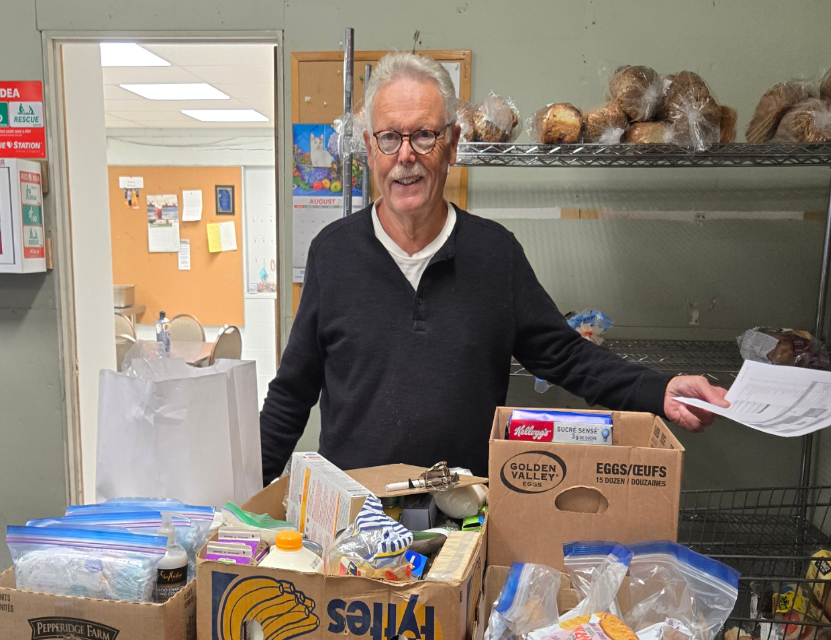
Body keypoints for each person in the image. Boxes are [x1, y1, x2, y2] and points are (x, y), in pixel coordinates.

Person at [259, 52, 729, 484]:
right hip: (354, 522)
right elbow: (291, 392)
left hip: (463, 517)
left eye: (424, 135)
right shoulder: (332, 254)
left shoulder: (495, 254)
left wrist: (659, 389)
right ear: (369, 147)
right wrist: (238, 493)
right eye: (389, 137)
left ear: (453, 144)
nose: (406, 155)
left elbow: (568, 356)